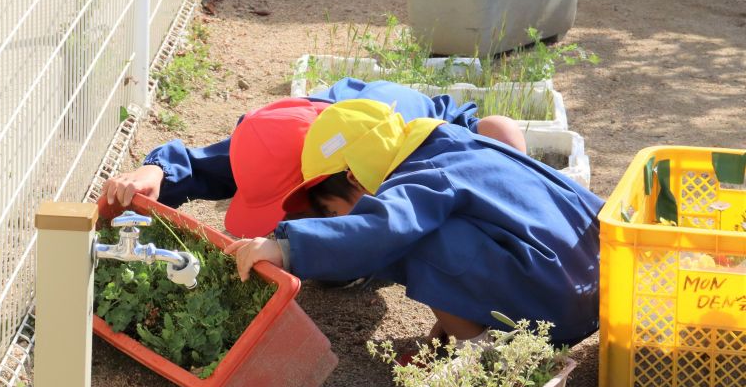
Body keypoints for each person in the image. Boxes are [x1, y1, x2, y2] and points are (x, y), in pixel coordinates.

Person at [223, 98, 604, 347]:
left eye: (331, 211)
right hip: (599, 281)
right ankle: (476, 335)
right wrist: (460, 310)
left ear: (354, 177)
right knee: (439, 234)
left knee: (414, 241)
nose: (334, 221)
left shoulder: (423, 176)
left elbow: (383, 227)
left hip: (558, 310)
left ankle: (483, 357)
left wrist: (286, 247)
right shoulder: (455, 143)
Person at [102, 78, 526, 237]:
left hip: (413, 132)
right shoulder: (273, 140)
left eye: (314, 210)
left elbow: (495, 133)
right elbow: (199, 164)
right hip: (329, 122)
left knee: (498, 135)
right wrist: (155, 170)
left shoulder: (417, 151)